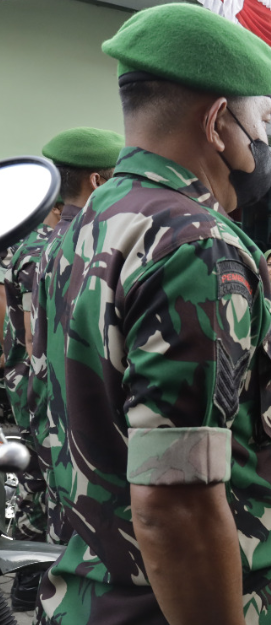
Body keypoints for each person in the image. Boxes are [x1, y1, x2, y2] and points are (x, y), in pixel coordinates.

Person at [30, 5, 271, 623]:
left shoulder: (83, 225)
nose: (265, 142)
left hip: (90, 591)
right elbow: (174, 507)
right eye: (261, 120)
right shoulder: (197, 244)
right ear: (217, 122)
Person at [5, 128, 121, 610]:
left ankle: (30, 591)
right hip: (75, 413)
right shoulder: (92, 247)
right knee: (73, 532)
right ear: (97, 180)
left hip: (32, 402)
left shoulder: (27, 246)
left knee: (40, 509)